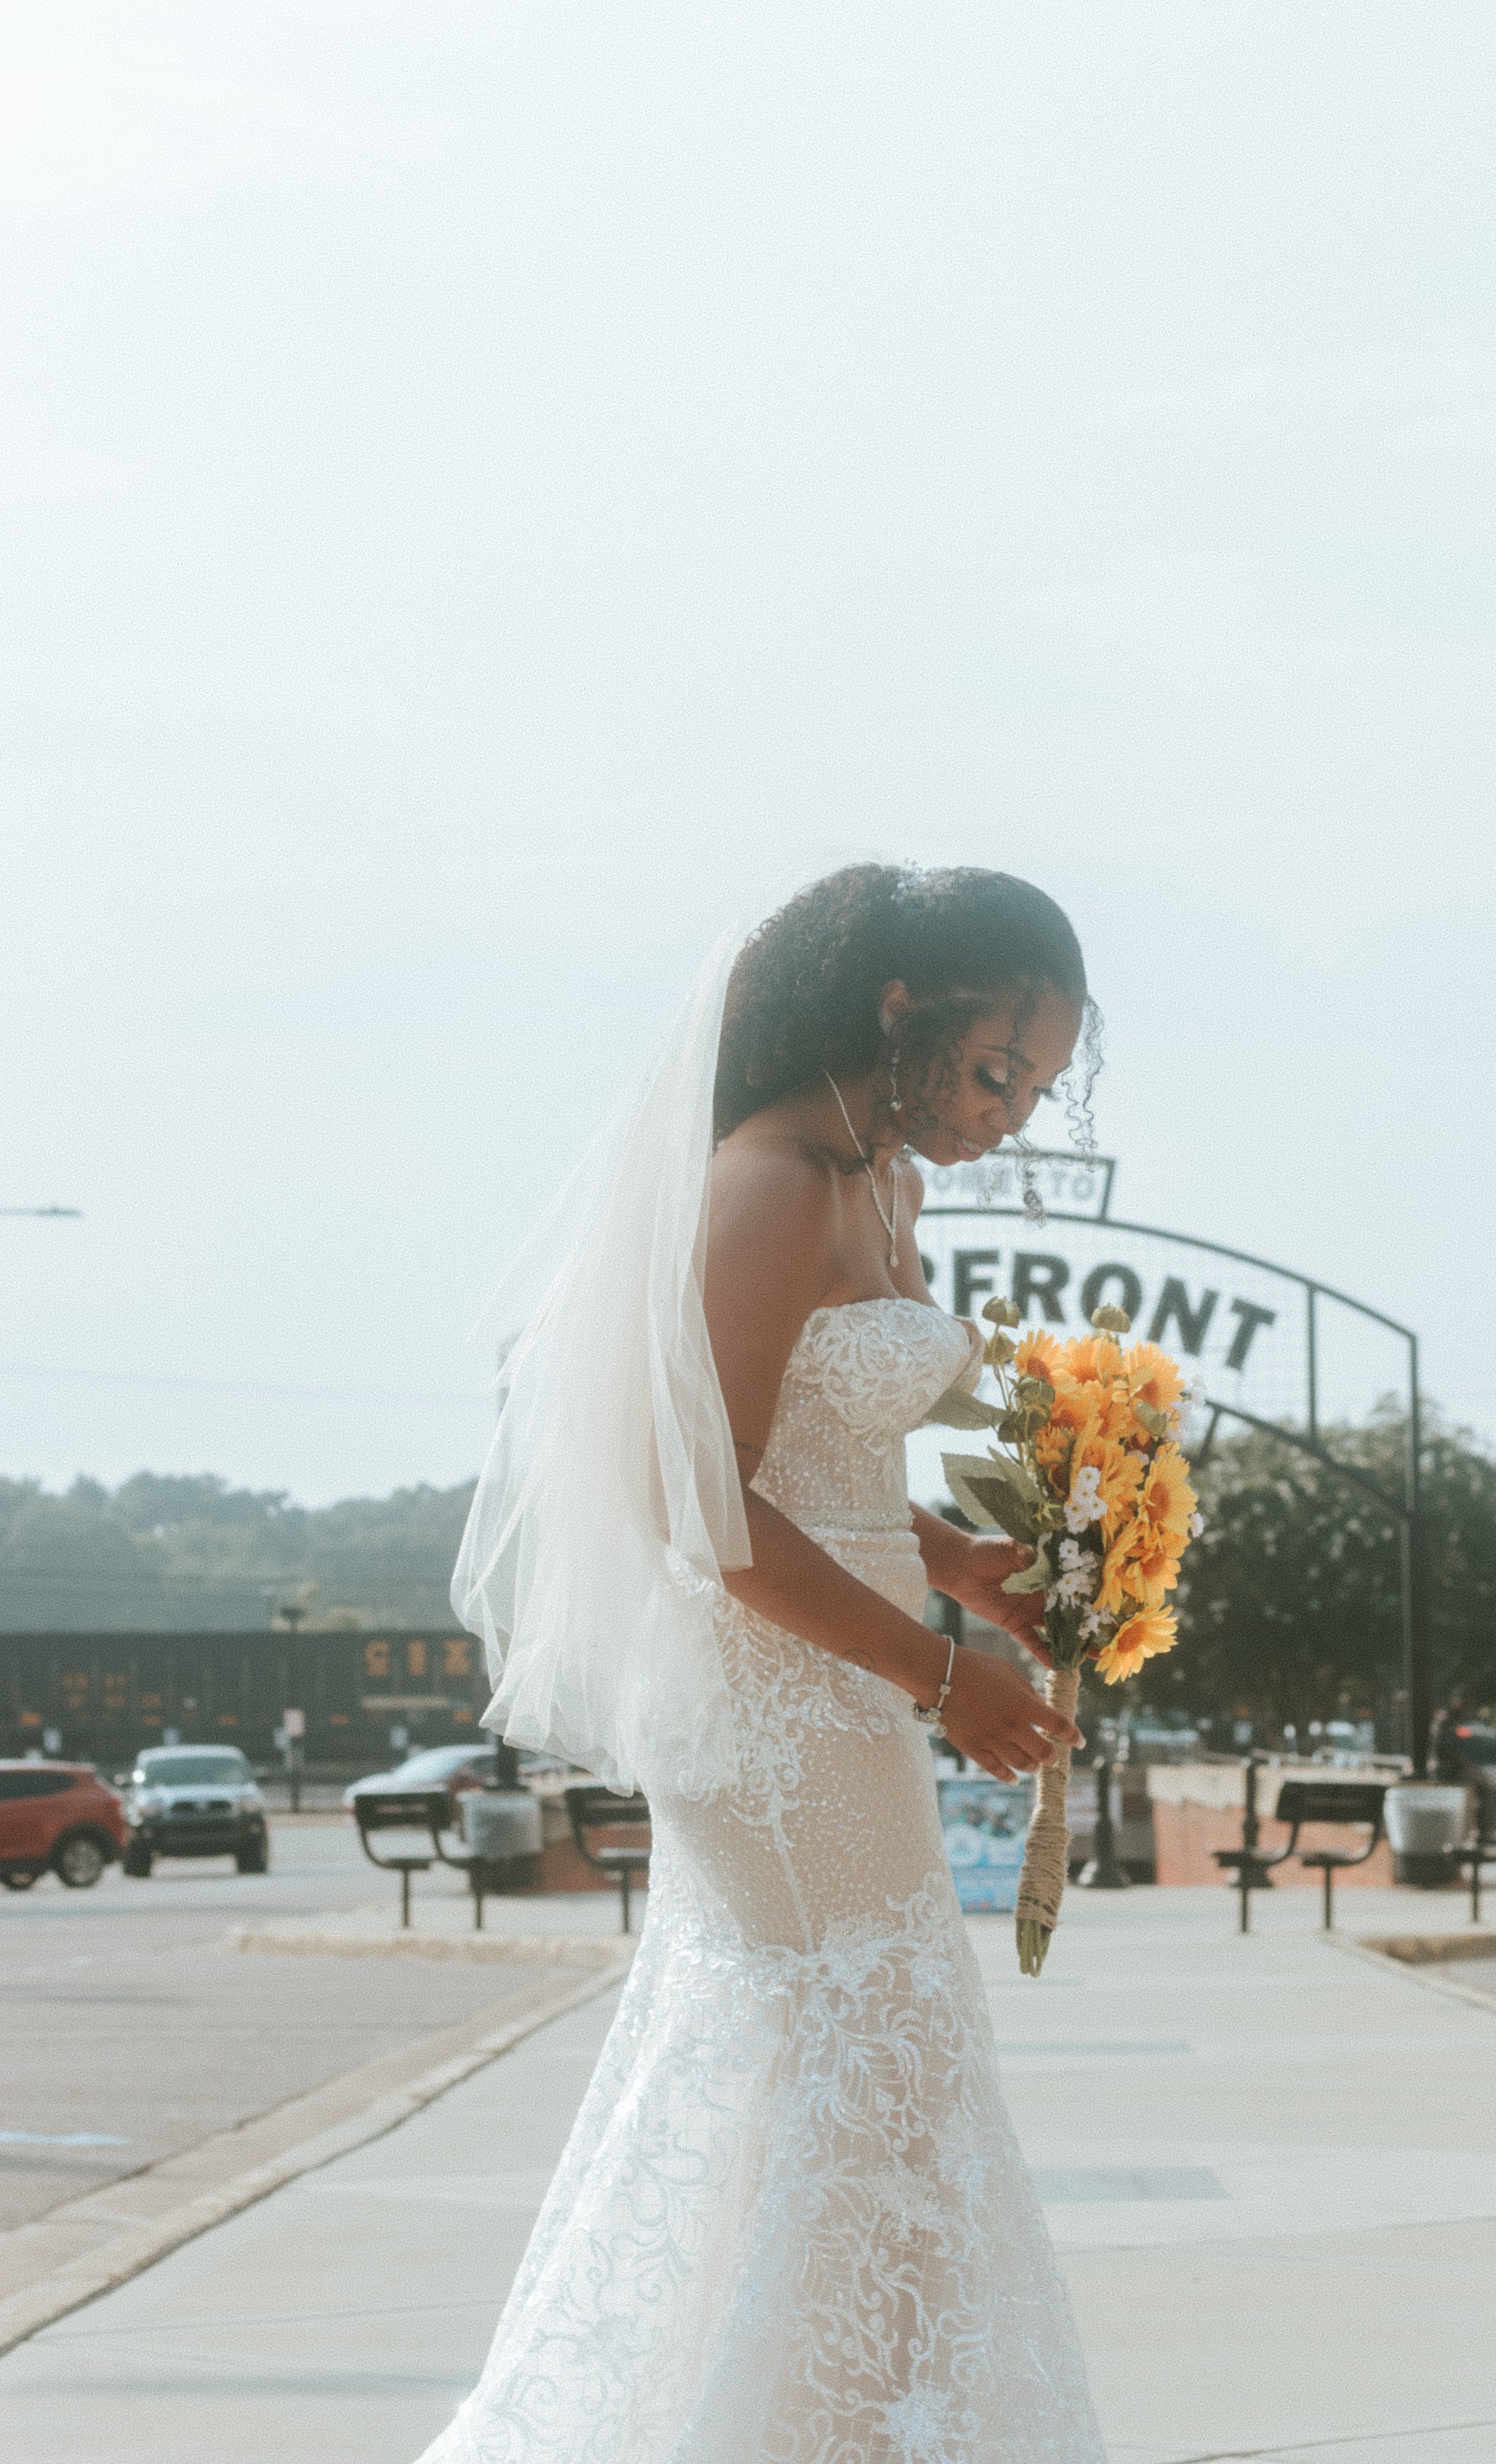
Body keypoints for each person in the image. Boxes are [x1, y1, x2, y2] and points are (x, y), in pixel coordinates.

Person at [426, 863, 1109, 2464]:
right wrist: (940, 1679)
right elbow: (699, 1496)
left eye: (1039, 1088)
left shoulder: (884, 1182)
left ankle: (846, 2429)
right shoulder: (777, 1181)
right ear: (898, 1011)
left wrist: (965, 1576)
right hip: (768, 1709)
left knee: (871, 2083)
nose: (1008, 1112)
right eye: (995, 1068)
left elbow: (816, 1457)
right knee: (865, 2073)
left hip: (847, 1684)